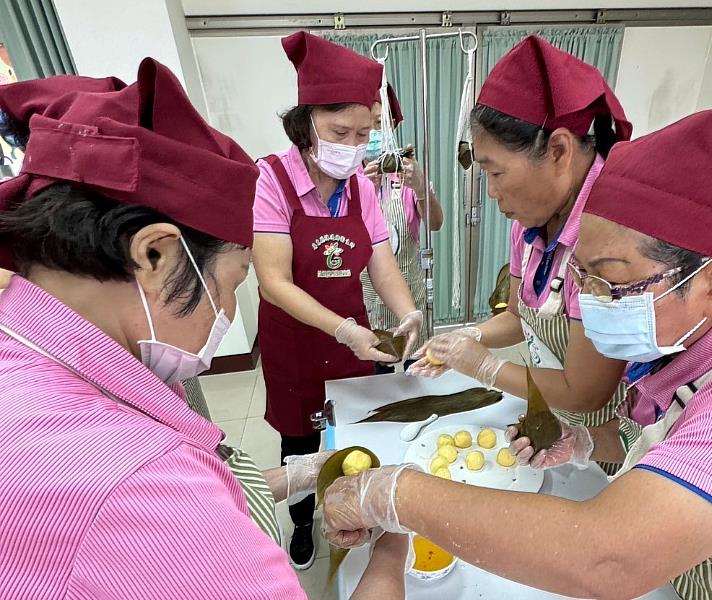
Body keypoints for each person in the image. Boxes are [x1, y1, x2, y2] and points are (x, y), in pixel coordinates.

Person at [322, 104, 712, 598]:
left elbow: (608, 557)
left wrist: (396, 493)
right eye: (581, 277)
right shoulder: (689, 334)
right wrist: (588, 442)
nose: (589, 304)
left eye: (611, 281)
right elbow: (669, 433)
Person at [0, 59, 409, 599]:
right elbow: (177, 504)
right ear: (155, 254)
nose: (228, 312)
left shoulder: (37, 364)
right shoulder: (137, 485)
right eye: (232, 281)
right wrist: (392, 544)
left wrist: (309, 472)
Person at [411, 35, 636, 472]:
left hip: (612, 438)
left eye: (495, 172)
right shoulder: (530, 226)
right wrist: (470, 337)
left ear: (558, 150)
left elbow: (585, 390)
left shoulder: (607, 242)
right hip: (557, 418)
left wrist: (487, 370)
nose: (491, 192)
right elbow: (518, 315)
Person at [252, 32, 422, 569]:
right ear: (306, 124)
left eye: (364, 133)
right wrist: (343, 329)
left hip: (353, 336)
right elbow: (273, 282)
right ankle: (302, 524)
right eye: (338, 131)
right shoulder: (270, 180)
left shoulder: (361, 190)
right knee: (299, 443)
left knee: (358, 430)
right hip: (297, 343)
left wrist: (406, 311)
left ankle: (360, 509)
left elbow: (382, 262)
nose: (352, 144)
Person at [361, 84, 443, 370]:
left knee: (416, 366)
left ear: (393, 127)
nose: (375, 132)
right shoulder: (349, 178)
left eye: (382, 124)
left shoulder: (407, 175)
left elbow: (436, 223)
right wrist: (363, 194)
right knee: (378, 367)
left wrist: (420, 187)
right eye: (370, 125)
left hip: (410, 290)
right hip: (369, 298)